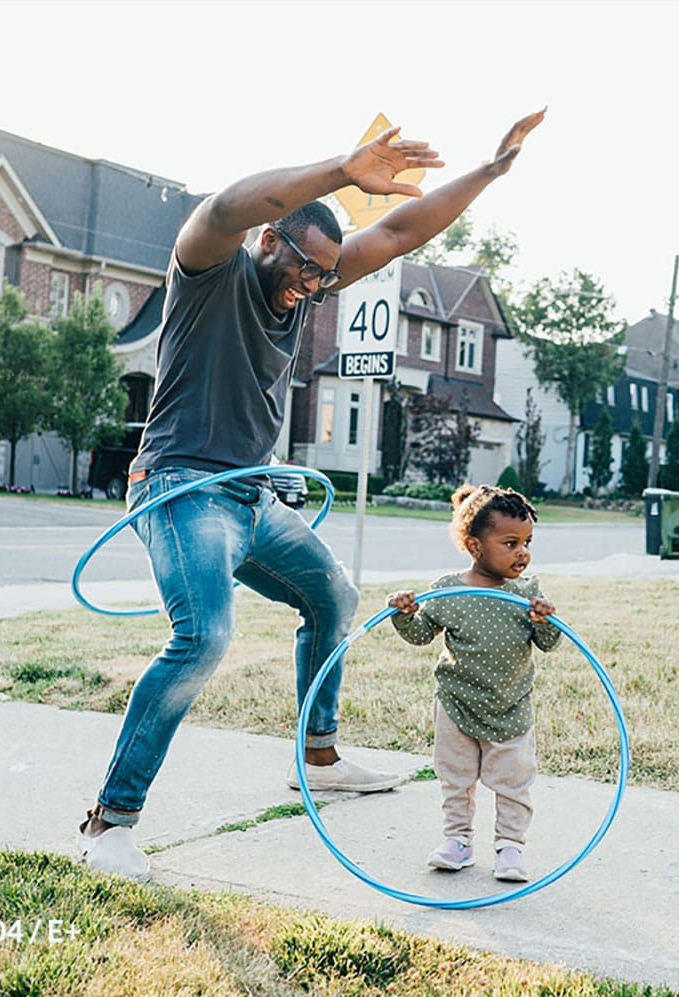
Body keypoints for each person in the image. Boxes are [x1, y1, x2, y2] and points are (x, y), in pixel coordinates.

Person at [78, 109, 546, 881]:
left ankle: (318, 754)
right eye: (305, 269)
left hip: (254, 496)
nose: (314, 286)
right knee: (202, 640)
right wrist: (339, 170)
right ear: (271, 242)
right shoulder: (208, 273)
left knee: (333, 596)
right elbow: (226, 209)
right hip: (180, 486)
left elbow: (397, 235)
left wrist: (489, 172)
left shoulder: (308, 283)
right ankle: (109, 821)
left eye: (326, 276)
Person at [387, 484, 561, 882]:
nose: (523, 552)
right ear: (475, 545)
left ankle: (510, 848)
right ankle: (458, 842)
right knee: (456, 779)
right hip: (456, 703)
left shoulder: (527, 593)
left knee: (514, 782)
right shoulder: (449, 589)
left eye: (528, 542)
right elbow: (419, 634)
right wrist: (402, 613)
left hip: (511, 707)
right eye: (511, 542)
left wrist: (545, 620)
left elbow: (548, 644)